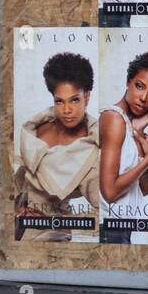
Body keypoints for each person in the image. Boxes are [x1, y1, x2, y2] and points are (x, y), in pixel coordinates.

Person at [13, 52, 99, 242]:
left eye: (74, 100)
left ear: (87, 97)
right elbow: (17, 184)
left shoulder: (91, 149)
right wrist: (14, 212)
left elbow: (109, 214)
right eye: (60, 101)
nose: (67, 110)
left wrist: (53, 221)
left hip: (49, 242)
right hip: (11, 232)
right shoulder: (36, 129)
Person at [98, 50, 148, 244]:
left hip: (124, 229)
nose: (144, 97)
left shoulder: (130, 127)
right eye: (140, 86)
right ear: (127, 82)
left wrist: (138, 135)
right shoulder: (114, 119)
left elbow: (144, 189)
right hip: (110, 228)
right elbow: (110, 192)